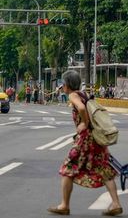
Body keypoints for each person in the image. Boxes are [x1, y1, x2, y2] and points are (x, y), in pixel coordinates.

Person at [47, 69, 123, 217]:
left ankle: (64, 205)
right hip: (95, 139)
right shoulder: (84, 94)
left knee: (68, 168)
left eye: (63, 84)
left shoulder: (73, 95)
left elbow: (81, 108)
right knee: (104, 168)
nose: (62, 86)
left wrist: (84, 123)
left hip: (85, 139)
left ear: (67, 85)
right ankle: (115, 203)